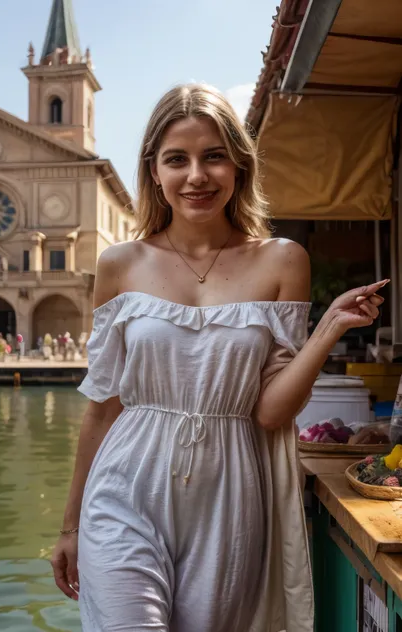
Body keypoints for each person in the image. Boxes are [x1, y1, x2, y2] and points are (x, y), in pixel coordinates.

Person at [51, 83, 387, 632]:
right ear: (154, 171)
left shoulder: (283, 260)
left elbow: (270, 413)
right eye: (176, 159)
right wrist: (69, 528)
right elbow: (102, 408)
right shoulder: (118, 264)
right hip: (125, 487)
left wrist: (328, 329)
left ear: (239, 166)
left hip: (228, 495)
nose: (197, 176)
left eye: (213, 156)